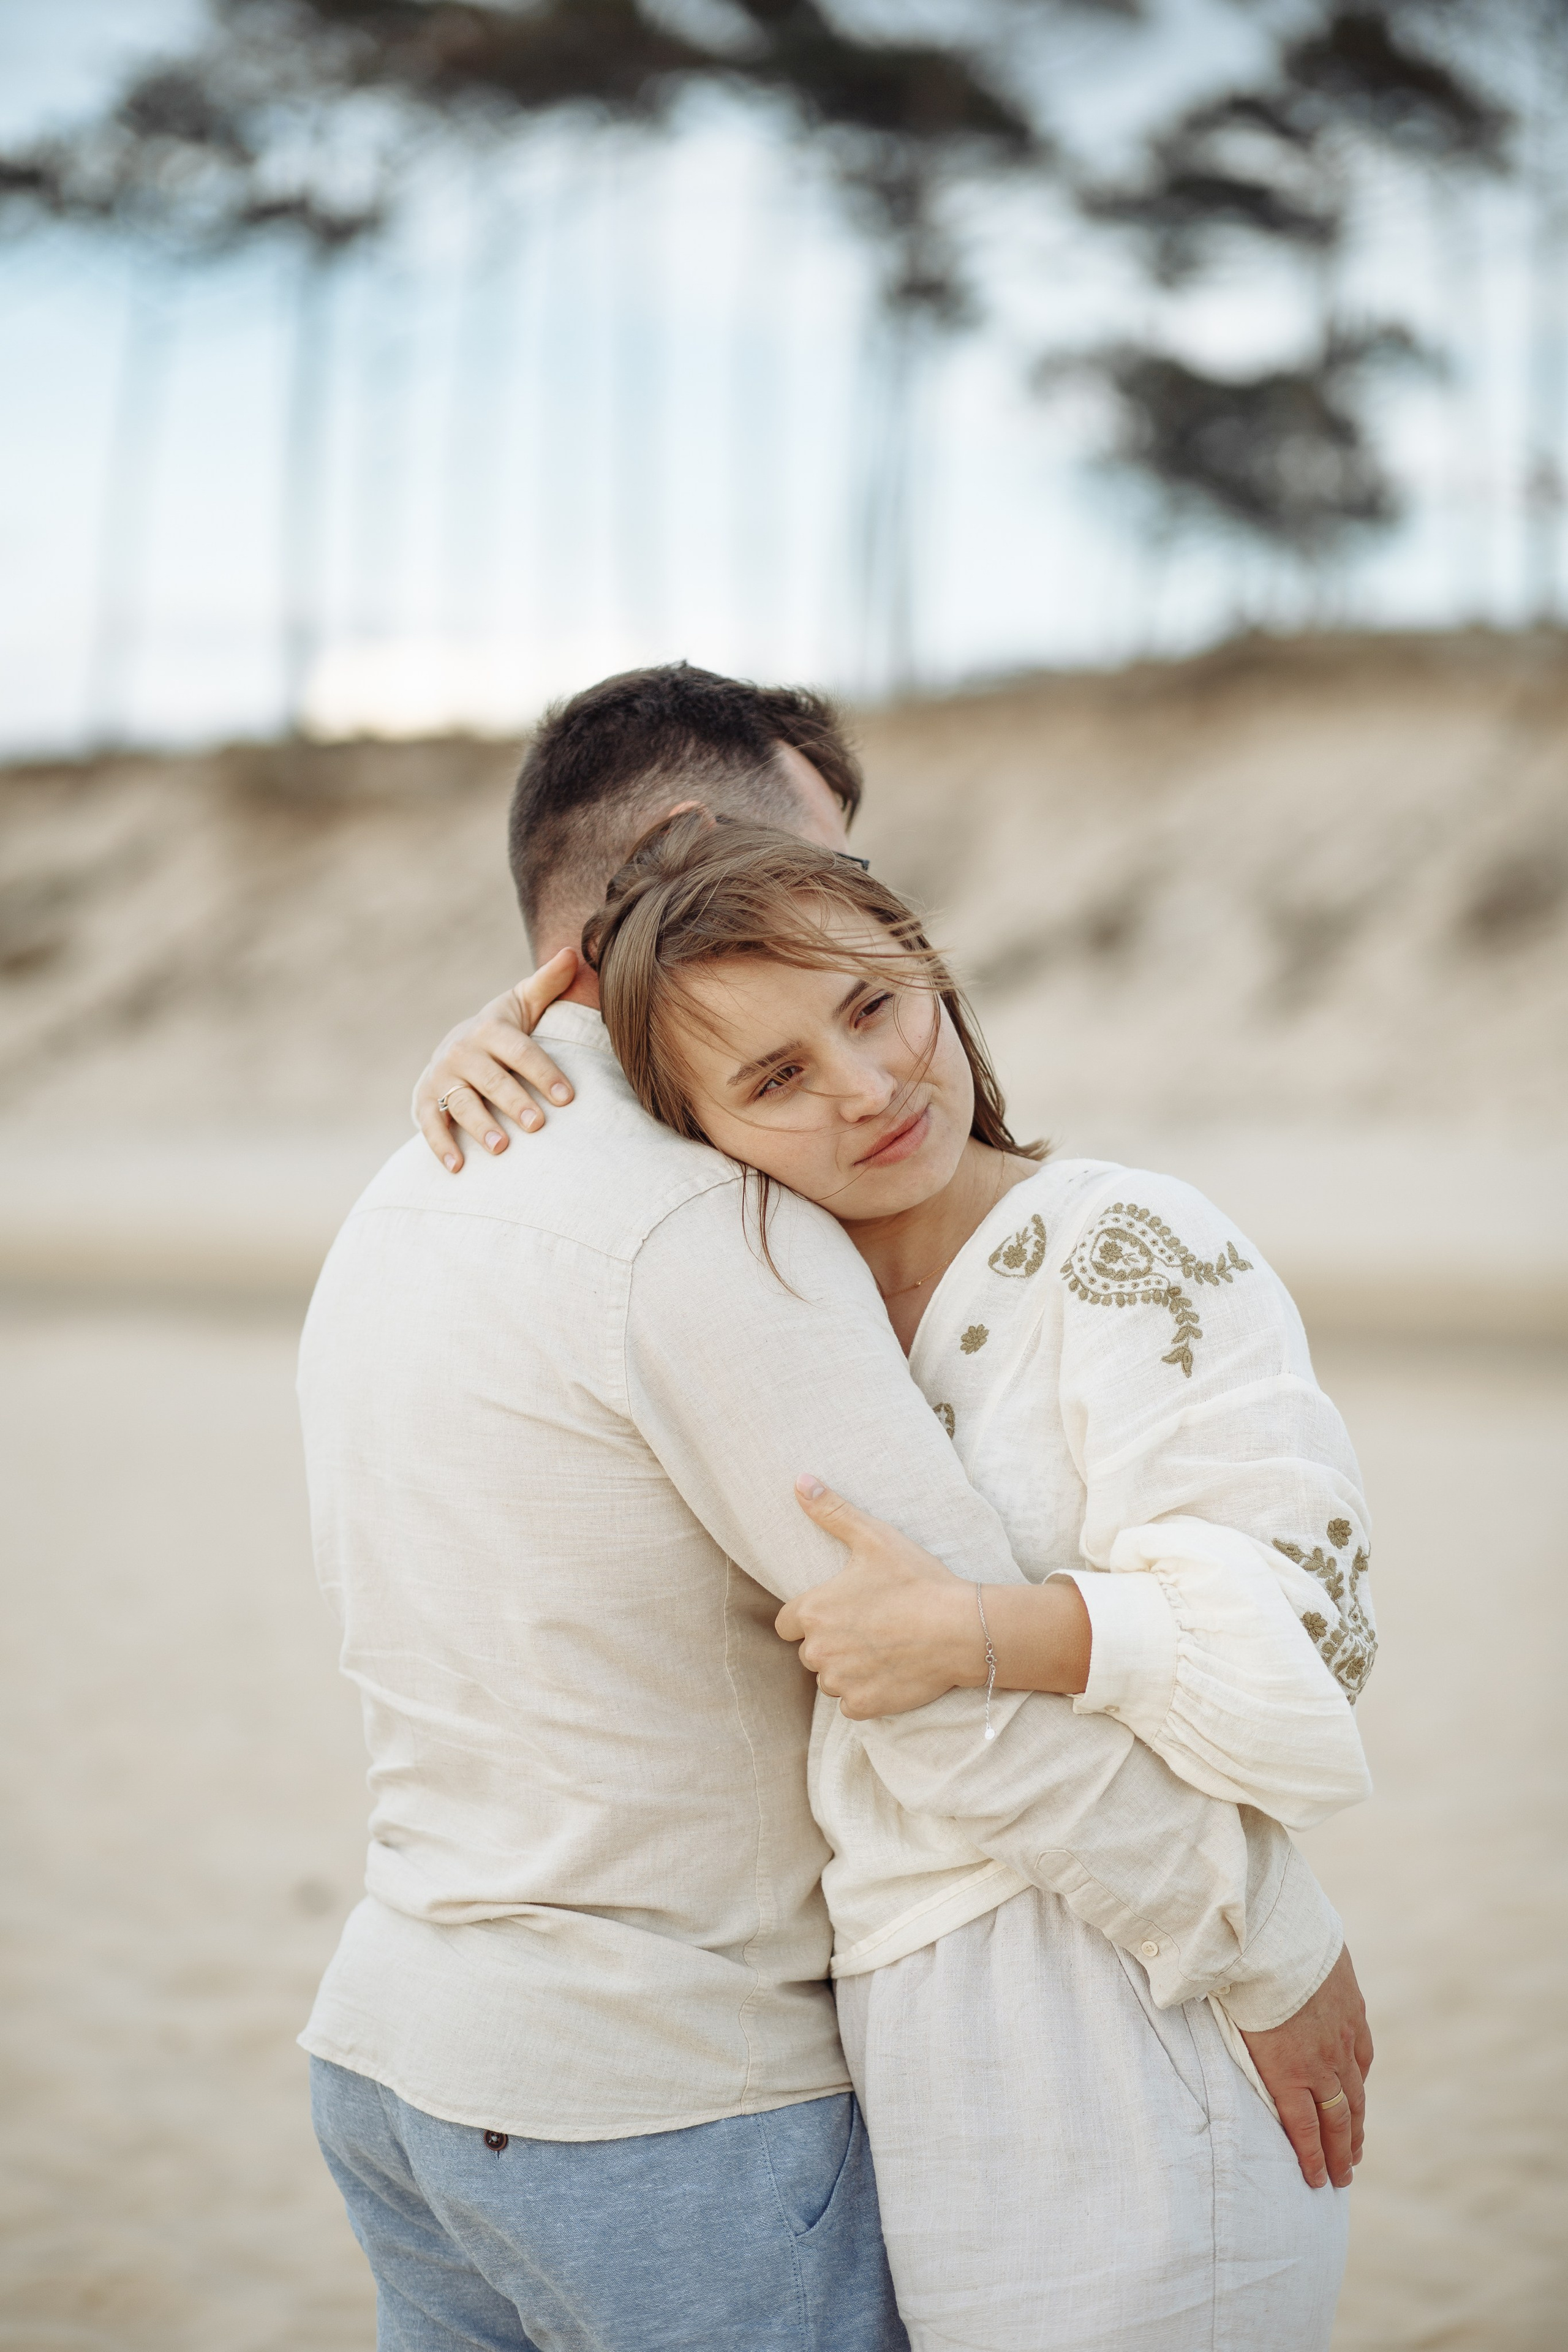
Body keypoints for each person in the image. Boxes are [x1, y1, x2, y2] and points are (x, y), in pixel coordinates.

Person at [301, 664, 1371, 2352]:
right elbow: (941, 1693)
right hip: (647, 2087)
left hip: (394, 2054)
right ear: (674, 857)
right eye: (801, 863)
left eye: (873, 966)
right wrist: (1272, 1943)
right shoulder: (700, 1228)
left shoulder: (412, 1187)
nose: (835, 923)